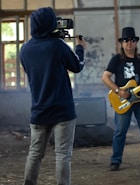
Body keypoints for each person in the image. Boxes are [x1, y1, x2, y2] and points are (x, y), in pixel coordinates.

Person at [19, 7, 86, 185]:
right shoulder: (57, 46)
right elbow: (77, 66)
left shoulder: (24, 50)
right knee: (63, 154)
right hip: (63, 110)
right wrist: (80, 48)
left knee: (35, 153)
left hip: (39, 110)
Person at [101, 27, 140, 171]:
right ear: (122, 43)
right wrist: (118, 91)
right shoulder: (116, 60)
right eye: (126, 40)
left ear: (135, 43)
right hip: (123, 101)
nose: (129, 43)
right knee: (120, 132)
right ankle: (115, 161)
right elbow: (105, 77)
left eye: (132, 40)